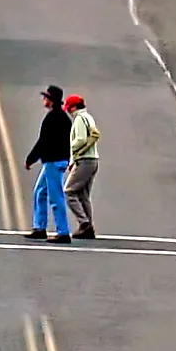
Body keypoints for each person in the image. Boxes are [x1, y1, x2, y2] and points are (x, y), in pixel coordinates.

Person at [25, 84, 73, 242]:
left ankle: (63, 232)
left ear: (51, 100)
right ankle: (39, 227)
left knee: (55, 196)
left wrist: (31, 159)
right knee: (40, 192)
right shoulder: (62, 118)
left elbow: (43, 142)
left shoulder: (53, 118)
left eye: (45, 97)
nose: (43, 100)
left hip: (54, 161)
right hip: (54, 161)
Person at [63, 92, 100, 240]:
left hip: (84, 160)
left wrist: (70, 147)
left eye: (69, 108)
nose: (68, 111)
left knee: (69, 192)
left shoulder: (79, 119)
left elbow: (80, 139)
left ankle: (84, 223)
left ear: (73, 107)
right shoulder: (88, 117)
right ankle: (88, 226)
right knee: (83, 195)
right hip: (93, 160)